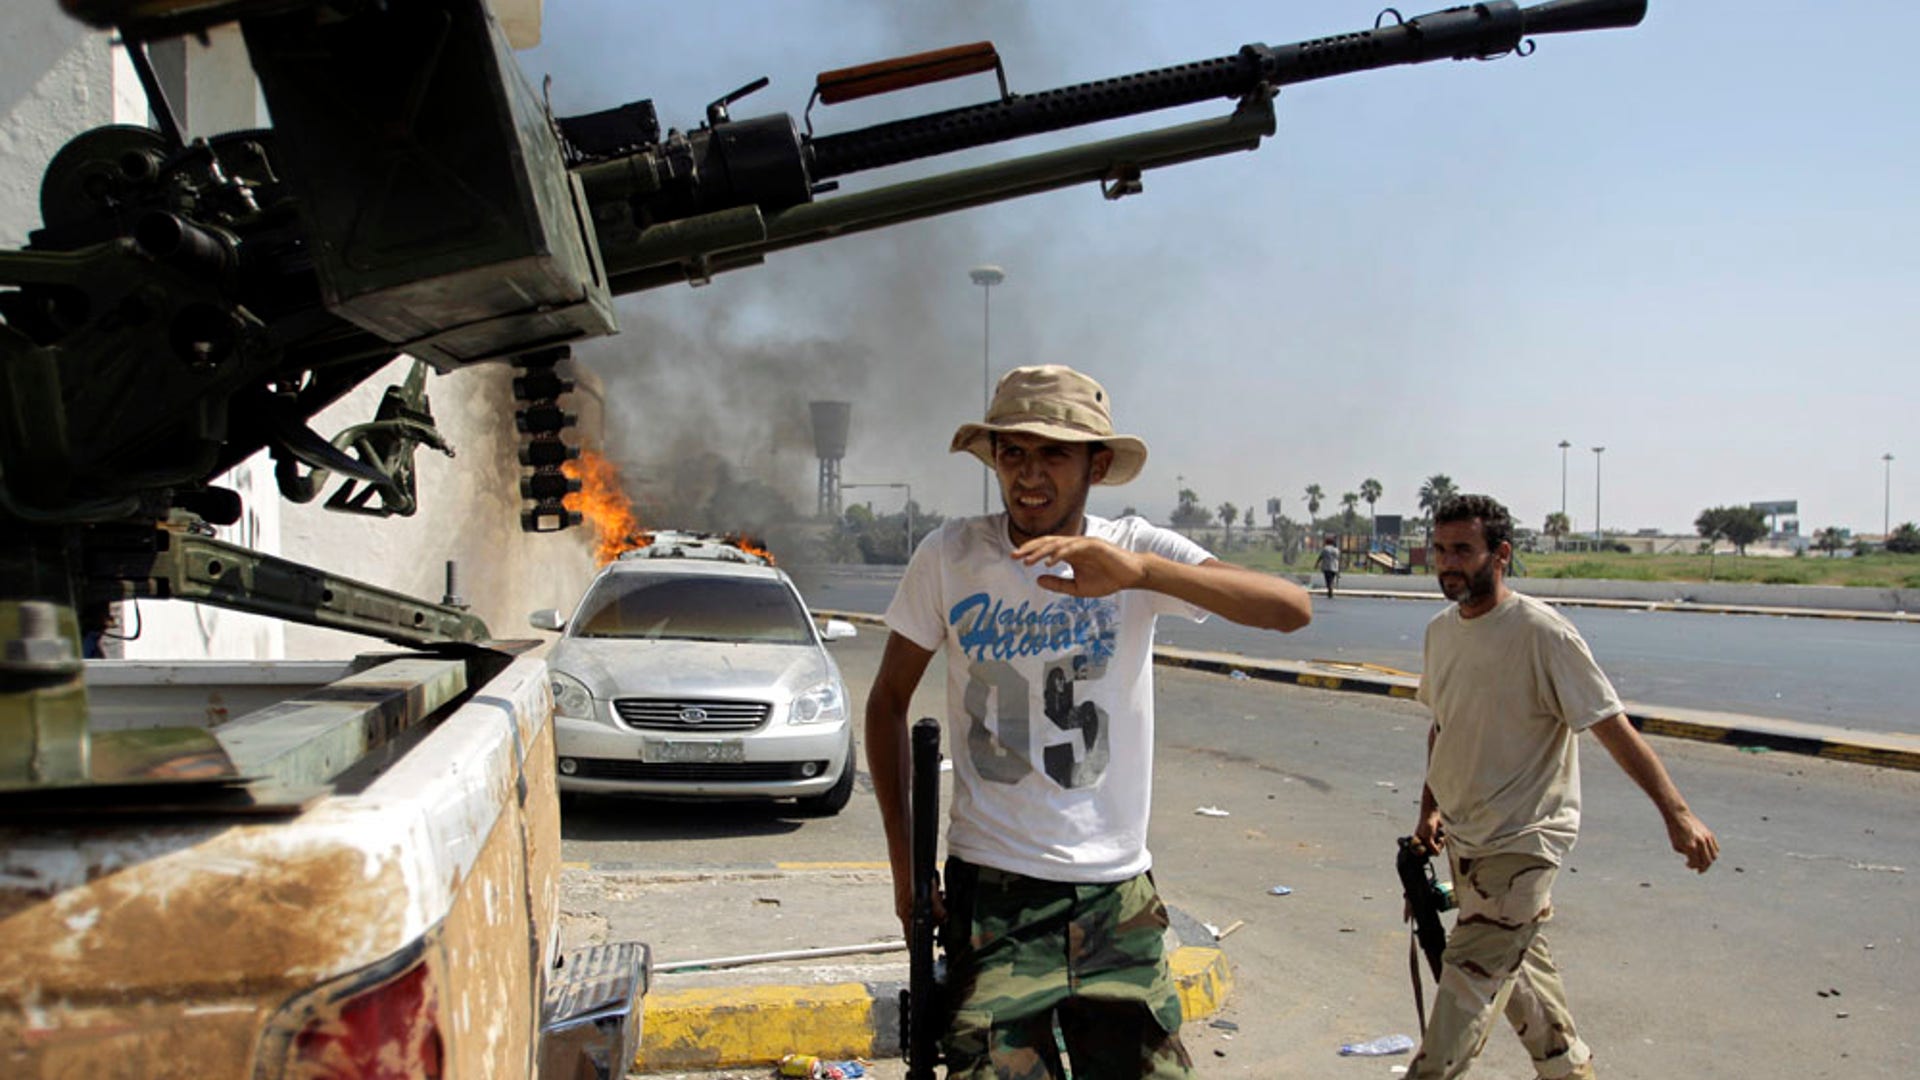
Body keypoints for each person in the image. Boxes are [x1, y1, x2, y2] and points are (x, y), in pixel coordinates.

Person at [865, 364, 1312, 1079]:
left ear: (1097, 466)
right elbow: (888, 701)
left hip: (1116, 896)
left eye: (1053, 454)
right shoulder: (951, 556)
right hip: (994, 895)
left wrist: (1137, 574)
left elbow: (1289, 608)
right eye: (1012, 452)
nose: (1028, 475)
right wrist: (905, 873)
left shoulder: (1132, 550)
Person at [1407, 494, 1719, 1080]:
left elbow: (1611, 726)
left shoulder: (1542, 634)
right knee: (1523, 974)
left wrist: (1678, 814)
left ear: (1500, 555)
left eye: (1463, 550)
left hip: (1524, 844)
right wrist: (1429, 811)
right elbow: (1442, 727)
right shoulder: (1440, 632)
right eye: (1441, 550)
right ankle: (1568, 1069)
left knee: (1463, 999)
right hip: (1466, 841)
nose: (1447, 563)